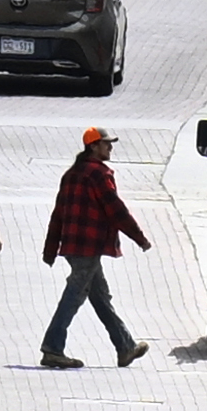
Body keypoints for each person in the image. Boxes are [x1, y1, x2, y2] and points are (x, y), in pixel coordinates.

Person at [37, 126, 151, 367]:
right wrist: (139, 238)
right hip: (88, 247)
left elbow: (58, 214)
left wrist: (51, 249)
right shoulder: (99, 175)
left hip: (73, 247)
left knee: (100, 297)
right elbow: (116, 210)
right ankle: (52, 348)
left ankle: (125, 347)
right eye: (106, 143)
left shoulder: (71, 174)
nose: (110, 147)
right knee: (73, 296)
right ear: (93, 146)